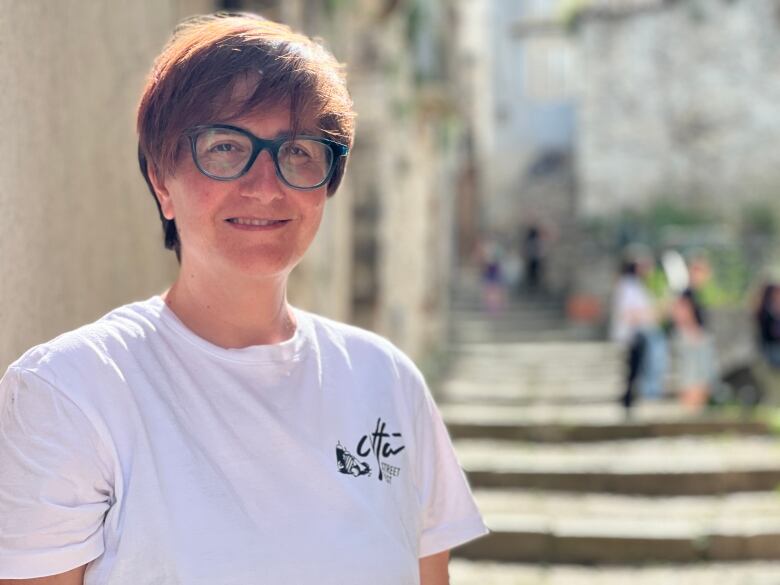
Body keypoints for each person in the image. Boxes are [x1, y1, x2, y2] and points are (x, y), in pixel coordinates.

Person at [0, 13, 487, 585]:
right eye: (226, 146)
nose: (265, 184)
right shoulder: (72, 391)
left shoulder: (388, 381)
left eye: (300, 150)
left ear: (328, 182)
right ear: (162, 182)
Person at [610, 254, 667, 411]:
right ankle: (628, 398)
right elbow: (629, 313)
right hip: (633, 334)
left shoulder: (635, 286)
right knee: (633, 368)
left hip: (638, 333)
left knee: (635, 368)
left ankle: (630, 398)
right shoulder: (628, 286)